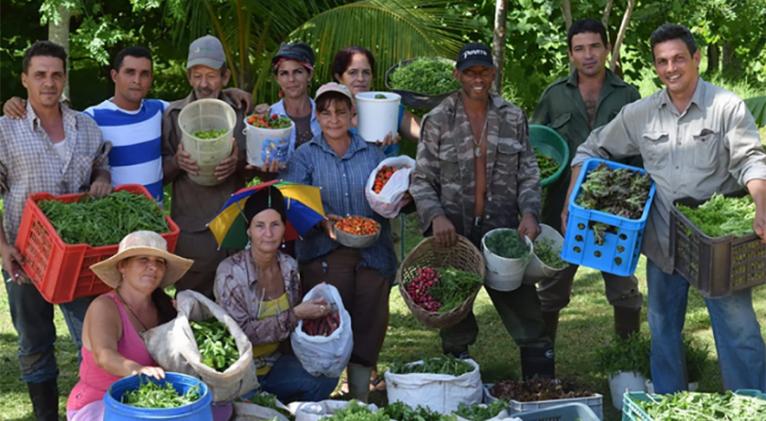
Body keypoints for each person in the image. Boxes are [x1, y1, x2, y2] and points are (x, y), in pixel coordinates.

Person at [566, 23, 766, 393]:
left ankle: (751, 405)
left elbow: (751, 160)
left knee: (739, 331)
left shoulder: (725, 107)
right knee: (663, 333)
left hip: (714, 248)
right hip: (662, 244)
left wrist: (761, 205)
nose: (671, 68)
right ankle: (670, 405)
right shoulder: (641, 113)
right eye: (662, 61)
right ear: (655, 66)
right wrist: (571, 203)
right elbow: (590, 150)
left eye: (678, 59)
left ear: (696, 59)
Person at [410, 42, 555, 379]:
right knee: (454, 318)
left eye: (485, 72)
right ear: (457, 74)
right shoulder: (438, 119)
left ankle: (542, 389)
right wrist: (436, 217)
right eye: (470, 72)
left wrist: (530, 212)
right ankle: (460, 389)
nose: (478, 79)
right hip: (453, 238)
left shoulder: (512, 116)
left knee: (528, 316)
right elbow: (421, 179)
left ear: (493, 73)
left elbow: (528, 172)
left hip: (502, 233)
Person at [0, 40, 111, 421]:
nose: (49, 83)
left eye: (56, 75)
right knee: (34, 343)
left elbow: (100, 164)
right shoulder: (5, 129)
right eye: (40, 75)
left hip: (79, 256)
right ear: (25, 80)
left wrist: (101, 177)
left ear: (64, 79)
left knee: (93, 338)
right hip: (24, 256)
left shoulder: (86, 126)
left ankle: (93, 410)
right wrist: (2, 249)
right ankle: (46, 415)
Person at [2, 45, 252, 204]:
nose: (137, 80)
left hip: (153, 219)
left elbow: (201, 104)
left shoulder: (161, 111)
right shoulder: (90, 119)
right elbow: (55, 115)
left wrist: (229, 92)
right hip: (113, 219)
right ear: (114, 76)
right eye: (130, 72)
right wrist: (17, 104)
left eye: (144, 74)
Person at [281, 82, 397, 402]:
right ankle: (323, 391)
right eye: (326, 112)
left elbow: (387, 193)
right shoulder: (305, 156)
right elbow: (294, 200)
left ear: (353, 115)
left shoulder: (372, 153)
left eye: (341, 112)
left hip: (373, 250)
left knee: (370, 319)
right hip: (325, 250)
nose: (334, 119)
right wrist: (325, 221)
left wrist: (398, 198)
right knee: (329, 319)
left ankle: (359, 395)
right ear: (317, 117)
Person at [531, 19, 643, 342]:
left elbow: (640, 152)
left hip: (615, 209)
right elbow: (536, 147)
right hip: (561, 209)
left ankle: (627, 362)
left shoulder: (628, 95)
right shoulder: (554, 96)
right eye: (579, 49)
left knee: (624, 288)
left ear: (607, 49)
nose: (588, 55)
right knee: (551, 289)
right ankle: (543, 364)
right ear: (570, 54)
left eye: (595, 46)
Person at [214, 187, 338, 403]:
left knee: (326, 378)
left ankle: (277, 401)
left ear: (284, 229)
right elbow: (241, 334)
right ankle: (263, 402)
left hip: (274, 363)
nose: (268, 234)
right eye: (259, 226)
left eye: (275, 225)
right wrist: (295, 315)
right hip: (240, 370)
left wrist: (318, 311)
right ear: (249, 230)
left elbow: (296, 325)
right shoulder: (230, 273)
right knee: (255, 410)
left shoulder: (289, 267)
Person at [66, 231, 193, 420]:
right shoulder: (105, 306)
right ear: (122, 266)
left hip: (152, 401)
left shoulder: (165, 307)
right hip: (100, 401)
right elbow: (105, 355)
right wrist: (138, 370)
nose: (153, 267)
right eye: (143, 259)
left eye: (159, 262)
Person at [162, 35, 254, 297]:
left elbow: (256, 167)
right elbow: (160, 173)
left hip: (234, 229)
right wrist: (177, 163)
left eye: (211, 75)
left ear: (224, 77)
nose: (204, 83)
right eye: (197, 75)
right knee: (193, 308)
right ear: (189, 77)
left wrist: (237, 163)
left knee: (236, 304)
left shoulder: (240, 112)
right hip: (193, 232)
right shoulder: (174, 115)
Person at [332, 46, 421, 156]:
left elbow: (427, 133)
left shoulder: (388, 107)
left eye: (366, 72)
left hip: (387, 172)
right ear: (339, 77)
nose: (360, 78)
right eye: (353, 72)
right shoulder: (328, 114)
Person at [269, 42, 321, 155]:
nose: (291, 79)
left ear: (310, 75)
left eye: (298, 72)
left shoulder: (324, 114)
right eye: (284, 73)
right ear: (277, 79)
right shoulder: (269, 116)